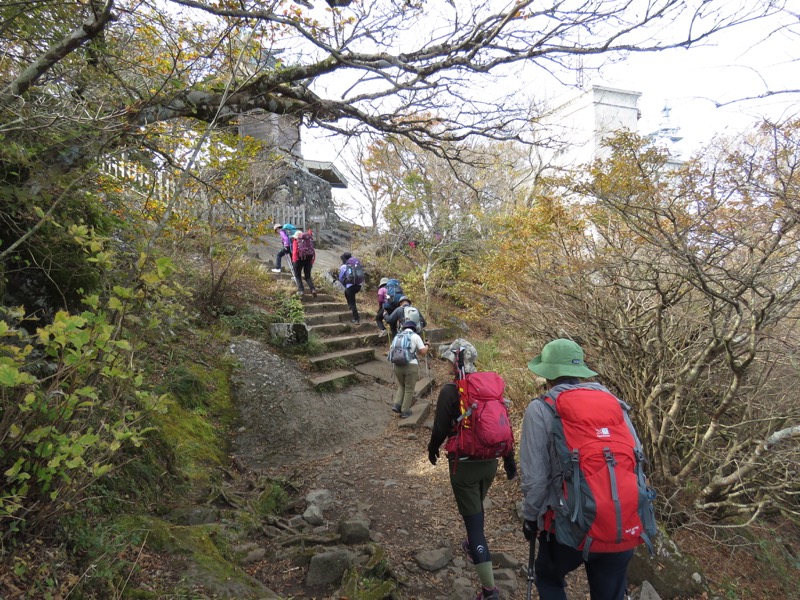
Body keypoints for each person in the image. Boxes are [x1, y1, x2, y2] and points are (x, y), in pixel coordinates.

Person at [520, 338, 637, 600]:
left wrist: (531, 517)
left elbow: (535, 476)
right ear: (580, 372)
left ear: (547, 374)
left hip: (566, 527)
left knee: (548, 577)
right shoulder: (614, 404)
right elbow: (636, 458)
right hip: (619, 522)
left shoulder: (541, 409)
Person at [427, 339, 517, 600]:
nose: (444, 365)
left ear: (454, 362)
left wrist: (432, 448)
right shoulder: (488, 389)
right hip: (490, 461)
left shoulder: (452, 390)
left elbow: (441, 428)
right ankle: (473, 543)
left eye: (446, 361)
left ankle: (489, 590)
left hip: (463, 465)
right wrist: (510, 460)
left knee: (474, 525)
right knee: (476, 508)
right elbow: (502, 422)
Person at [389, 321, 428, 418]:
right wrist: (427, 345)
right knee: (409, 388)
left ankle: (397, 405)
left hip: (397, 365)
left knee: (402, 386)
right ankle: (405, 411)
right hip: (410, 365)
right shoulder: (415, 336)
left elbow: (391, 349)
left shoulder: (397, 336)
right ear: (414, 328)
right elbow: (423, 351)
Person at [291, 229, 317, 298]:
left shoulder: (296, 241)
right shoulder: (308, 241)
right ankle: (313, 289)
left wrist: (294, 261)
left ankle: (301, 290)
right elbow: (313, 251)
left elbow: (294, 252)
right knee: (308, 276)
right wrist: (312, 261)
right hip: (309, 259)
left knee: (297, 275)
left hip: (299, 259)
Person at [338, 252, 362, 324]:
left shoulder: (344, 266)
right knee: (346, 293)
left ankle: (356, 319)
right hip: (358, 285)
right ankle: (350, 306)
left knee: (352, 302)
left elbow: (341, 278)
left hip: (350, 286)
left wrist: (345, 283)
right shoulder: (355, 264)